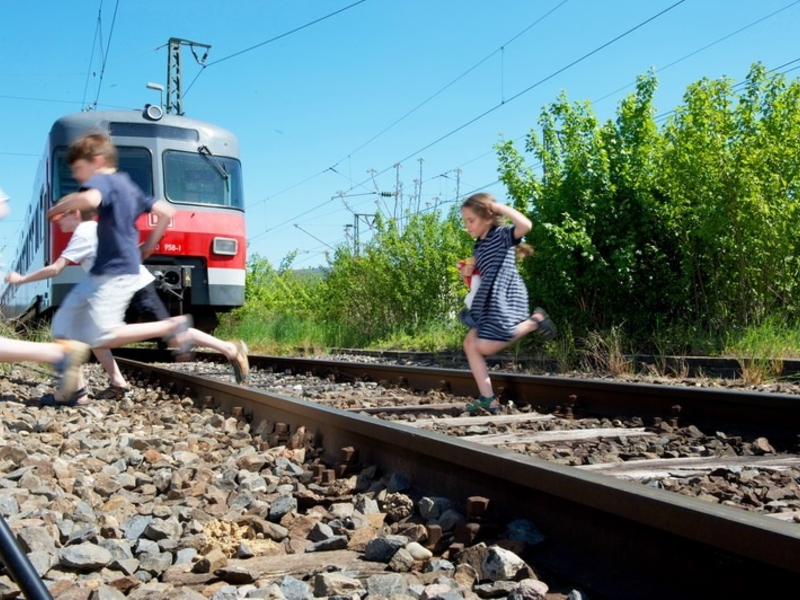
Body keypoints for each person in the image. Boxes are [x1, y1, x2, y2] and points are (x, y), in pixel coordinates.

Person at [45, 132, 248, 402]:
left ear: (97, 161)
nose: (78, 176)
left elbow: (91, 201)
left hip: (114, 270)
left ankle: (187, 333)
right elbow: (166, 211)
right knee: (71, 325)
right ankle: (83, 389)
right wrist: (150, 245)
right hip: (114, 272)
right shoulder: (129, 185)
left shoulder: (101, 182)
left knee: (105, 335)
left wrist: (60, 205)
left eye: (79, 169)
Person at [458, 192, 556, 415]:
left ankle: (534, 321)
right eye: (465, 221)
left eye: (471, 220)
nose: (467, 226)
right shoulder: (479, 246)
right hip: (487, 301)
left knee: (486, 346)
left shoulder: (502, 235)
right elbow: (480, 275)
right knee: (470, 343)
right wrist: (468, 272)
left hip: (505, 297)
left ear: (488, 218)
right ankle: (488, 400)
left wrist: (498, 207)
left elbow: (526, 225)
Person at [0, 189, 90, 401]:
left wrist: (22, 279)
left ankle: (61, 355)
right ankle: (68, 371)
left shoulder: (85, 232)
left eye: (62, 216)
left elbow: (56, 268)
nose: (58, 222)